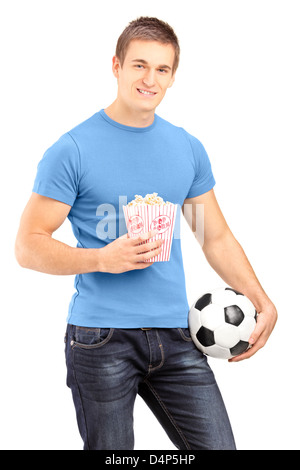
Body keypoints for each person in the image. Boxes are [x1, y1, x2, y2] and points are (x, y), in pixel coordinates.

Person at [15, 16, 277, 450]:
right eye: (139, 65)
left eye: (161, 69)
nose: (149, 79)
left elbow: (214, 237)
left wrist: (262, 300)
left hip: (177, 335)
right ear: (116, 66)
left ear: (173, 77)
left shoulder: (186, 147)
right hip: (101, 340)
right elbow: (28, 246)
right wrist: (100, 259)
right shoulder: (73, 149)